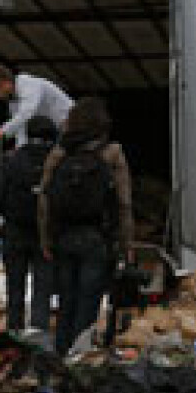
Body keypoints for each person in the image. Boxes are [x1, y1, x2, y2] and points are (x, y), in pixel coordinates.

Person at [38, 97, 134, 356]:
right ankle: (80, 359)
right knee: (88, 302)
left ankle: (60, 357)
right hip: (97, 238)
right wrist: (127, 245)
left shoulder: (58, 154)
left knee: (66, 301)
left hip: (64, 237)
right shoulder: (112, 153)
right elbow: (124, 203)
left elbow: (44, 198)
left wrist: (45, 239)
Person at [0, 116, 58, 333]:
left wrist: (13, 215)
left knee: (15, 289)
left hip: (15, 234)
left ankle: (14, 334)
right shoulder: (57, 162)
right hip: (45, 236)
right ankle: (38, 335)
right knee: (42, 290)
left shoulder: (12, 160)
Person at [0, 64, 73, 148]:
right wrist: (19, 152)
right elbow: (20, 131)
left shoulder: (27, 83)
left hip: (72, 121)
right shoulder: (13, 102)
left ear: (4, 83)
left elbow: (26, 113)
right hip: (59, 130)